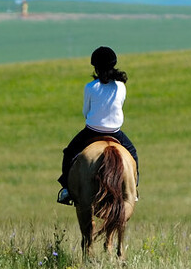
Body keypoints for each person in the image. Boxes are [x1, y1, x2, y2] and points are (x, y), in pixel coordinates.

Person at [56, 46, 139, 205]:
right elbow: (120, 105)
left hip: (92, 131)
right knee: (133, 154)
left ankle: (66, 189)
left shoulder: (90, 87)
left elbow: (85, 111)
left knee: (68, 153)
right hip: (115, 132)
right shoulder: (121, 87)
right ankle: (133, 188)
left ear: (95, 67)